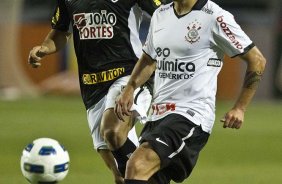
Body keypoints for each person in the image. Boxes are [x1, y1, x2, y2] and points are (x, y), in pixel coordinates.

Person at [115, 0, 267, 183]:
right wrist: (130, 88)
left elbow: (257, 60)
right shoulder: (160, 14)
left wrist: (240, 108)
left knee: (137, 165)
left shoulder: (216, 17)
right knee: (142, 177)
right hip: (157, 116)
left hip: (191, 116)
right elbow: (149, 59)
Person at [28, 0, 171, 183]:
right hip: (92, 87)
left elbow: (167, 14)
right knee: (121, 176)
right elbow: (61, 32)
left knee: (112, 131)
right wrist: (44, 48)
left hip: (129, 77)